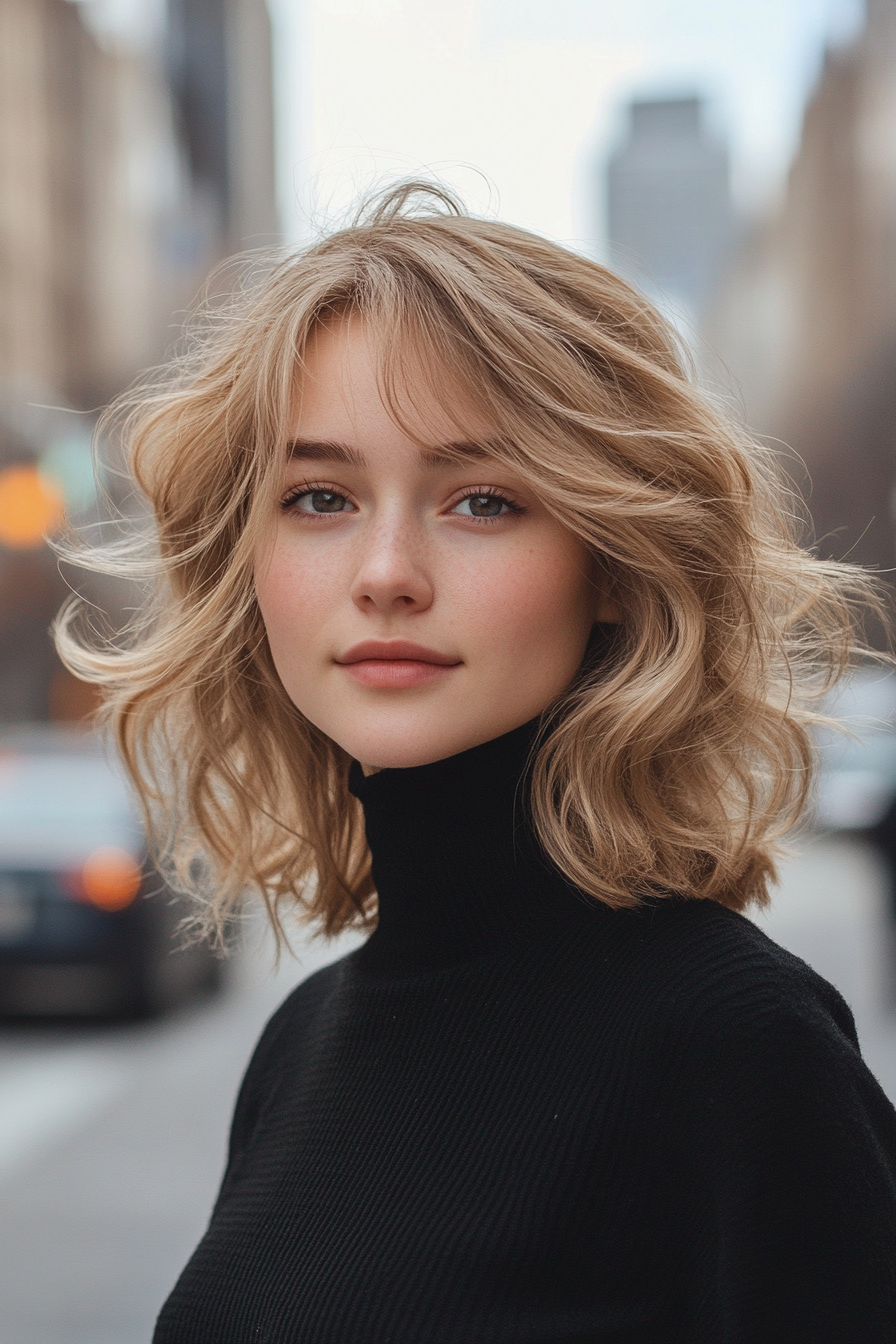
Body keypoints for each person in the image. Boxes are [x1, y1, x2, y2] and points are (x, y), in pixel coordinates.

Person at [57, 183, 896, 1342]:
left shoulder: (736, 1046)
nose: (386, 570)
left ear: (610, 561)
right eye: (317, 497)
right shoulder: (300, 1046)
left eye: (481, 500)